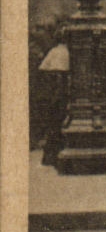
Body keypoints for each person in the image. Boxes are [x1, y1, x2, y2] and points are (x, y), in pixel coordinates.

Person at [37, 29, 70, 168]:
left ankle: (49, 157)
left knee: (53, 123)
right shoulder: (68, 52)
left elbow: (42, 67)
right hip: (61, 90)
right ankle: (57, 155)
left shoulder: (53, 51)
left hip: (51, 91)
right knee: (61, 122)